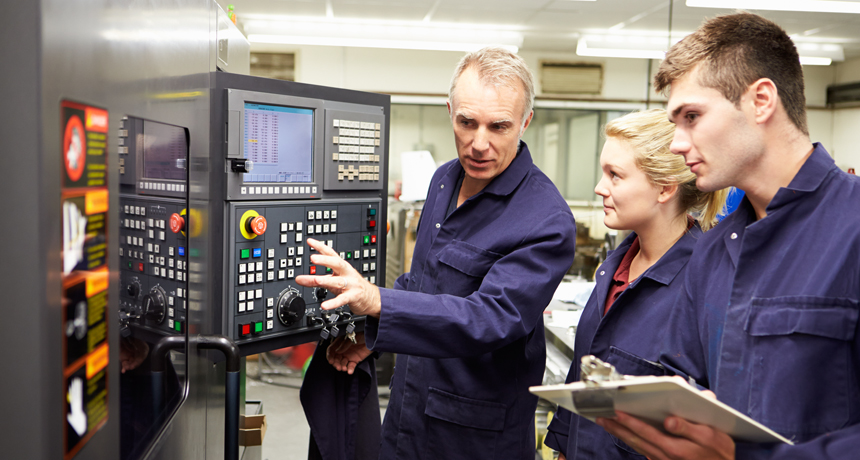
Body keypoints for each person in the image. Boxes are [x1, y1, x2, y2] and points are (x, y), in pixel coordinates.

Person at [594, 12, 860, 459]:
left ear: (760, 101)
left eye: (692, 116)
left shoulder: (851, 226)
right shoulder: (715, 249)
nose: (677, 143)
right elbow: (687, 381)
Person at [296, 47, 577, 459]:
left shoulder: (546, 220)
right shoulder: (444, 180)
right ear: (450, 112)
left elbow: (489, 319)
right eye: (467, 123)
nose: (479, 143)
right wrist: (374, 336)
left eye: (498, 126)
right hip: (408, 416)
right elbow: (422, 281)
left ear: (525, 122)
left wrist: (376, 300)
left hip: (475, 438)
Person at [543, 109, 727, 459]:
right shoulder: (614, 268)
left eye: (615, 176)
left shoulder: (706, 285)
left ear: (664, 188)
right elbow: (581, 381)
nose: (600, 188)